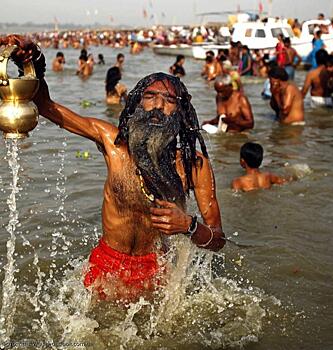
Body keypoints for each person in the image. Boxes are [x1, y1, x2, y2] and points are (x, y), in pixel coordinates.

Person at [5, 35, 225, 302]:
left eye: (169, 100)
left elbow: (217, 240)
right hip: (104, 267)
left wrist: (189, 226)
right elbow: (46, 107)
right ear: (137, 104)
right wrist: (34, 60)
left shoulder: (194, 166)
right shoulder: (114, 144)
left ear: (181, 112)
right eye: (150, 96)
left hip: (154, 272)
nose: (157, 105)